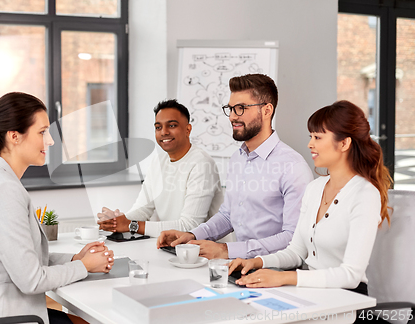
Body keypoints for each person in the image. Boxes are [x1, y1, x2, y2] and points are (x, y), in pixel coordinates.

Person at [0, 92, 114, 324]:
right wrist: (83, 266)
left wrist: (75, 257)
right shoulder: (3, 189)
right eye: (42, 132)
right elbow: (31, 280)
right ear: (15, 136)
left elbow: (24, 258)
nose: (51, 141)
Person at [228, 100, 392, 296]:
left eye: (318, 137)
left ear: (344, 143)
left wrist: (283, 278)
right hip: (310, 292)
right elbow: (296, 252)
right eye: (310, 136)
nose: (310, 144)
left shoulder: (365, 194)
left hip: (347, 298)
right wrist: (256, 262)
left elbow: (351, 275)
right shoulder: (315, 188)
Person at [157, 74, 314, 260]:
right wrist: (192, 236)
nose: (232, 117)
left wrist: (227, 250)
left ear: (266, 110)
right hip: (238, 267)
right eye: (230, 109)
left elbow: (293, 237)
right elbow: (228, 215)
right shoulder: (237, 159)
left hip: (275, 271)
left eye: (241, 109)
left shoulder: (292, 166)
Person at [97, 99, 223, 237]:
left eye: (172, 125)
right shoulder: (158, 161)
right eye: (158, 127)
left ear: (188, 130)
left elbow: (189, 225)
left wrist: (130, 225)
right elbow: (143, 210)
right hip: (170, 244)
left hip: (206, 251)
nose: (164, 132)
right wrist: (117, 221)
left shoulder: (202, 163)